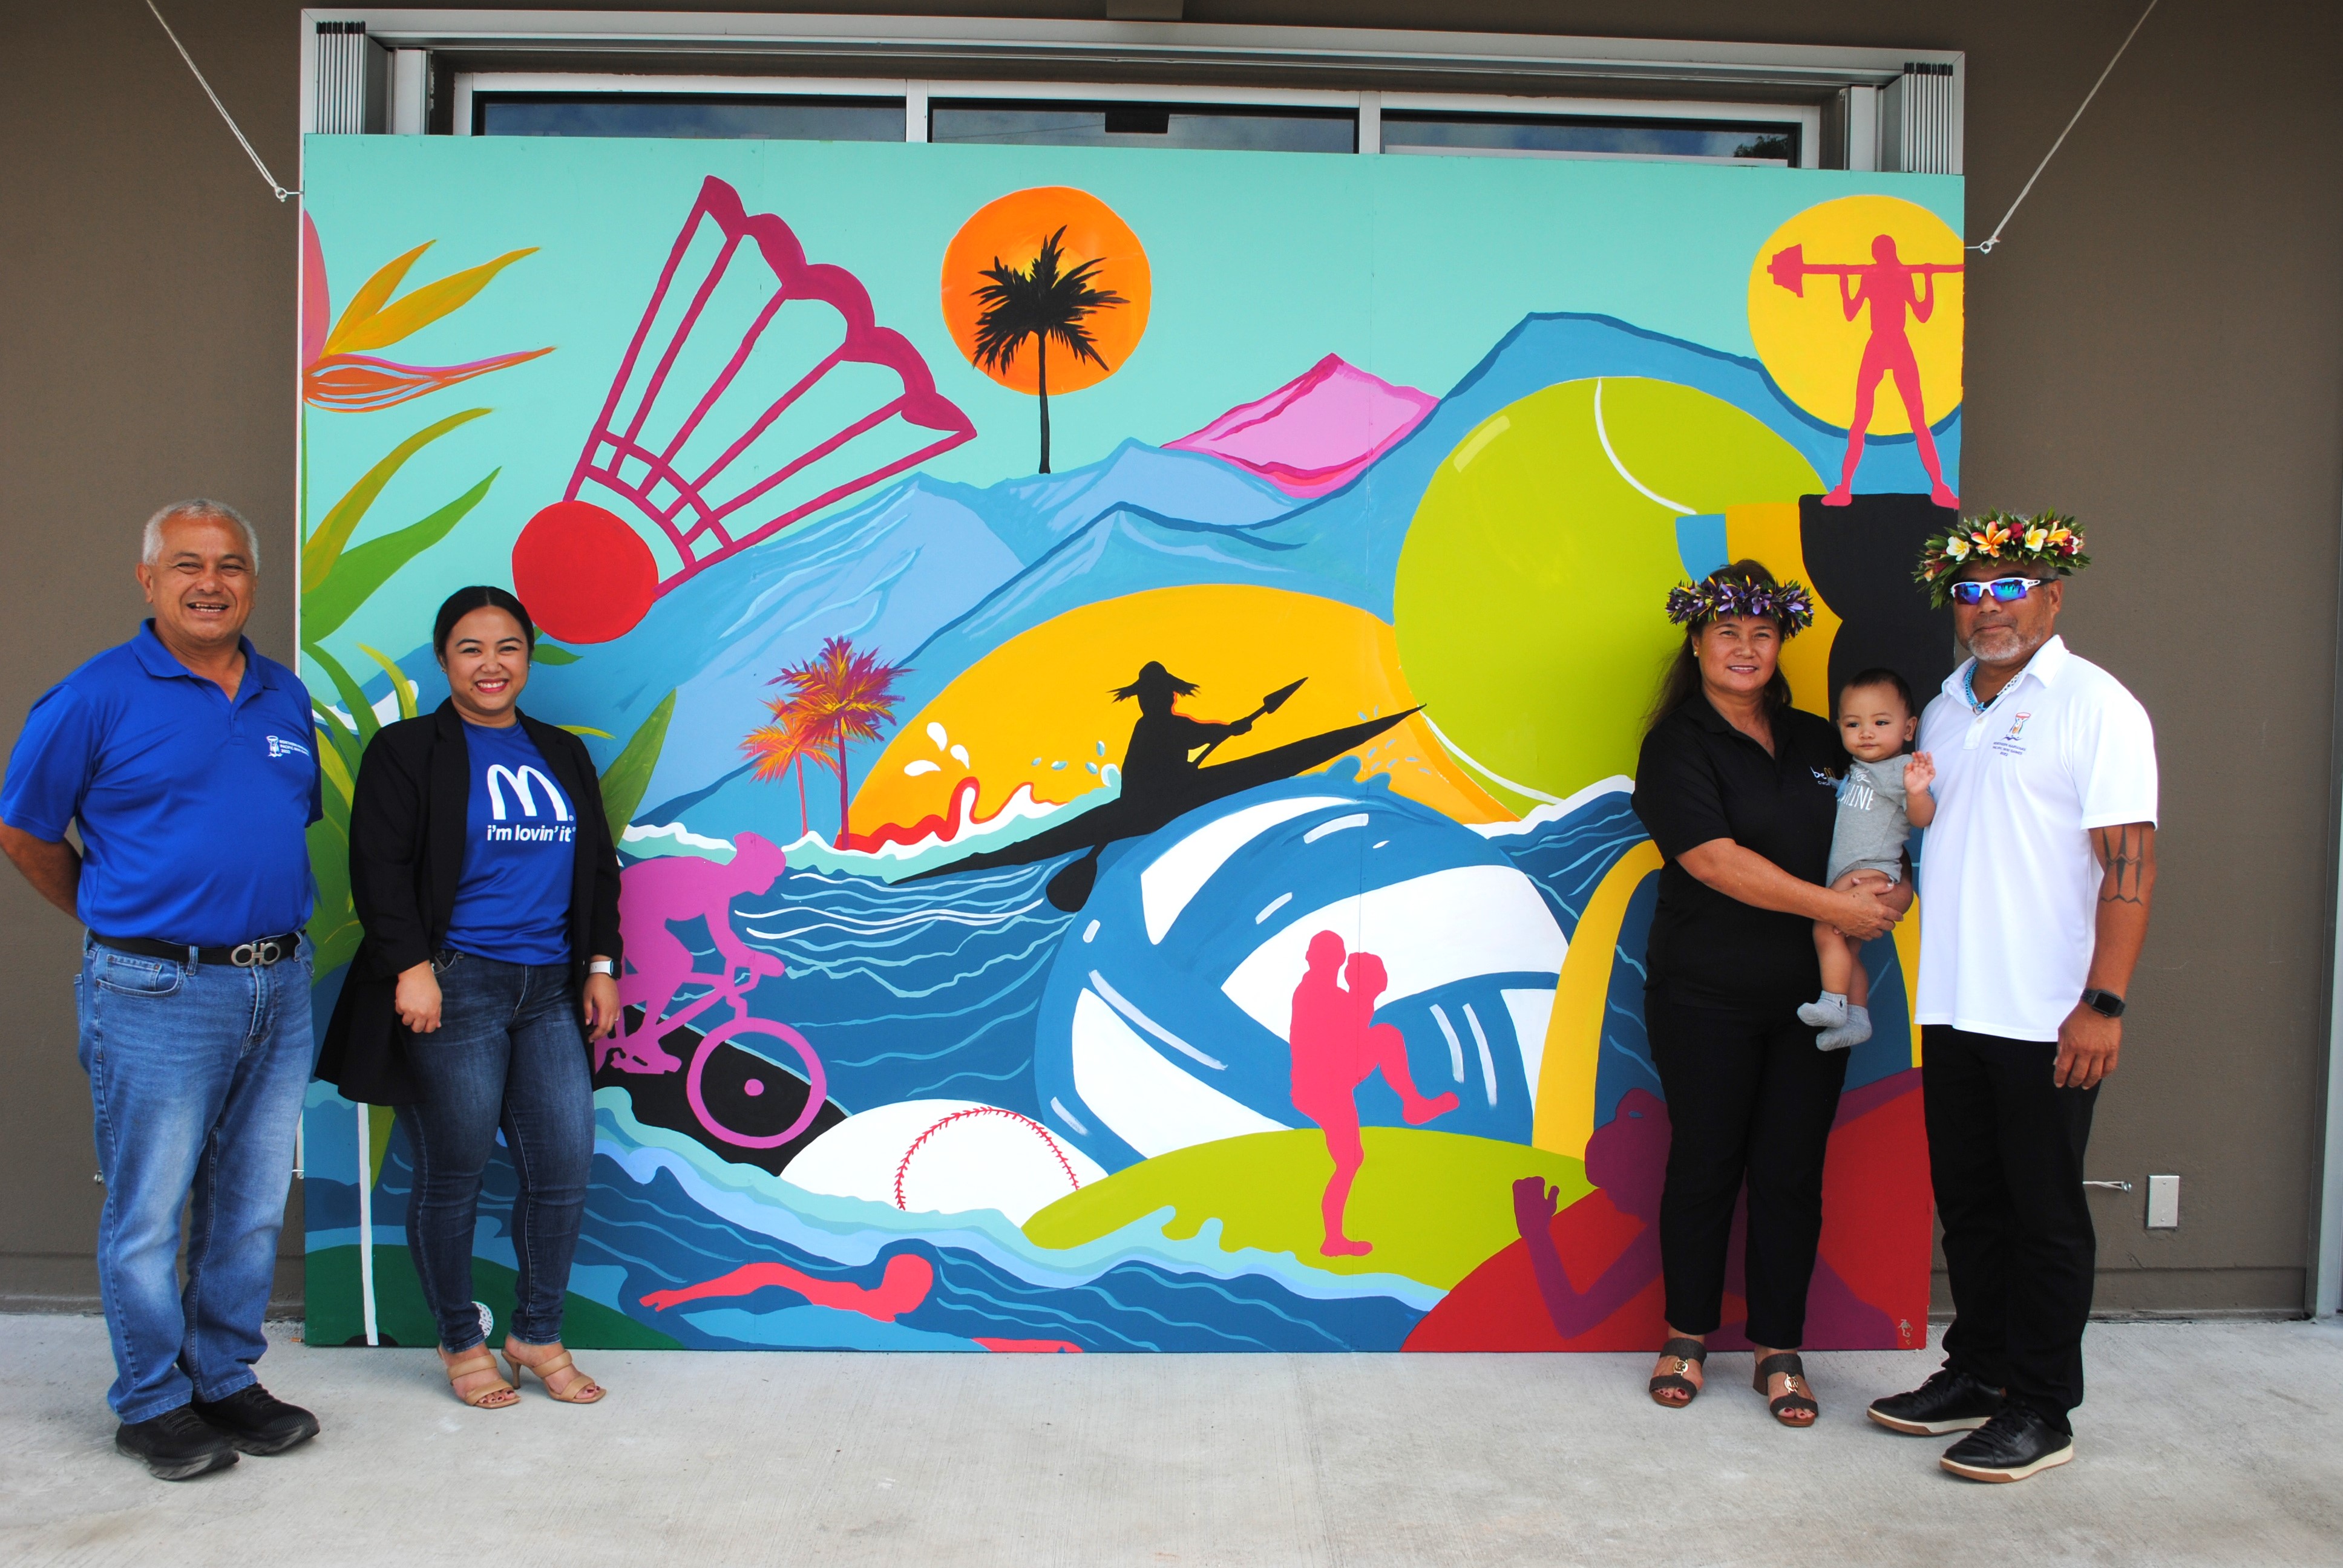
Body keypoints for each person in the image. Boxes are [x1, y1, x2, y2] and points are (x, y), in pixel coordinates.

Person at [0, 501, 322, 1480]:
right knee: (148, 1207)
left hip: (279, 981)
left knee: (253, 1202)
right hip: (153, 988)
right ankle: (151, 1400)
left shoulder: (281, 695)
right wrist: (121, 926)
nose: (210, 581)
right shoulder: (93, 696)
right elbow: (25, 832)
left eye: (230, 564)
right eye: (187, 564)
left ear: (252, 584)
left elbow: (282, 818)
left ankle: (224, 1375)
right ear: (149, 580)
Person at [1869, 511, 2155, 1485]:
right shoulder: (1946, 708)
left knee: (2043, 1215)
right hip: (1953, 1005)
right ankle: (1979, 1370)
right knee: (1975, 1204)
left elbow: (2129, 859)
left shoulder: (2095, 704)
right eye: (1971, 591)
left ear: (2053, 595)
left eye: (2010, 587)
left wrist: (2103, 1003)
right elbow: (1951, 839)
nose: (1988, 608)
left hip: (2048, 1016)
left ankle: (2043, 1408)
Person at [316, 586, 623, 1411]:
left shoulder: (559, 752)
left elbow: (596, 868)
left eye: (508, 648)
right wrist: (411, 966)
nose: (492, 665)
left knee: (561, 1167)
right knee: (454, 1174)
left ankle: (537, 1331)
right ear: (445, 658)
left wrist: (601, 965)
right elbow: (376, 868)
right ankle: (461, 1339)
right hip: (455, 986)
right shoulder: (407, 751)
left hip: (548, 987)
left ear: (528, 657)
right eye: (471, 649)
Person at [1630, 561, 1907, 1426]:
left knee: (1791, 1172)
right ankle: (1686, 1336)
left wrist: (1887, 896)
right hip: (1704, 994)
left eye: (1761, 633)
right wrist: (1836, 908)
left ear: (1781, 643)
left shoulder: (1827, 740)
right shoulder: (1677, 744)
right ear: (1698, 643)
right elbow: (1713, 860)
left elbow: (1881, 831)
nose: (1746, 649)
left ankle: (1779, 1351)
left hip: (1811, 998)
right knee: (1706, 1164)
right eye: (1727, 633)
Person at [1286, 932, 1459, 1256]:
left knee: (1385, 1038)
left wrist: (1363, 992)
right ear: (1313, 959)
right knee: (1350, 1160)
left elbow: (1352, 1030)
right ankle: (1333, 1239)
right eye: (1328, 956)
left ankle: (1414, 1104)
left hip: (1331, 1081)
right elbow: (1347, 1029)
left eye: (1333, 956)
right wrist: (1364, 993)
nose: (1331, 962)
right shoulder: (1313, 992)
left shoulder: (1329, 993)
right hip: (1321, 1087)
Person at [1798, 668, 1938, 1050]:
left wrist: (1917, 791)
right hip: (1851, 869)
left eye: (1881, 722)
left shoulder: (1899, 769)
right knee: (1847, 948)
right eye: (1853, 724)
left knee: (1825, 930)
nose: (1867, 733)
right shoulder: (1860, 768)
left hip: (1870, 871)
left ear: (1909, 728)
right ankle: (1857, 1019)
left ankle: (1833, 1002)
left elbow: (1922, 818)